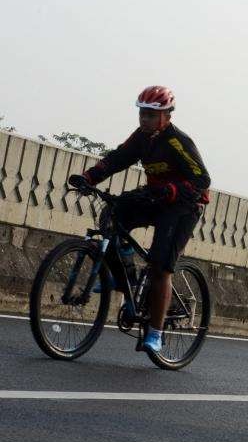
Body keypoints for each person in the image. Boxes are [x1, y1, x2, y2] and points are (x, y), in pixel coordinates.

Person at [68, 86, 210, 355]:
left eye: (150, 115)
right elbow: (117, 159)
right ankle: (124, 277)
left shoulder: (178, 141)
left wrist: (173, 190)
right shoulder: (142, 138)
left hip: (183, 205)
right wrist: (88, 178)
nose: (144, 119)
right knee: (113, 214)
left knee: (160, 268)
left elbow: (202, 179)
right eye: (142, 114)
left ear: (166, 116)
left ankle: (155, 333)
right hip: (155, 197)